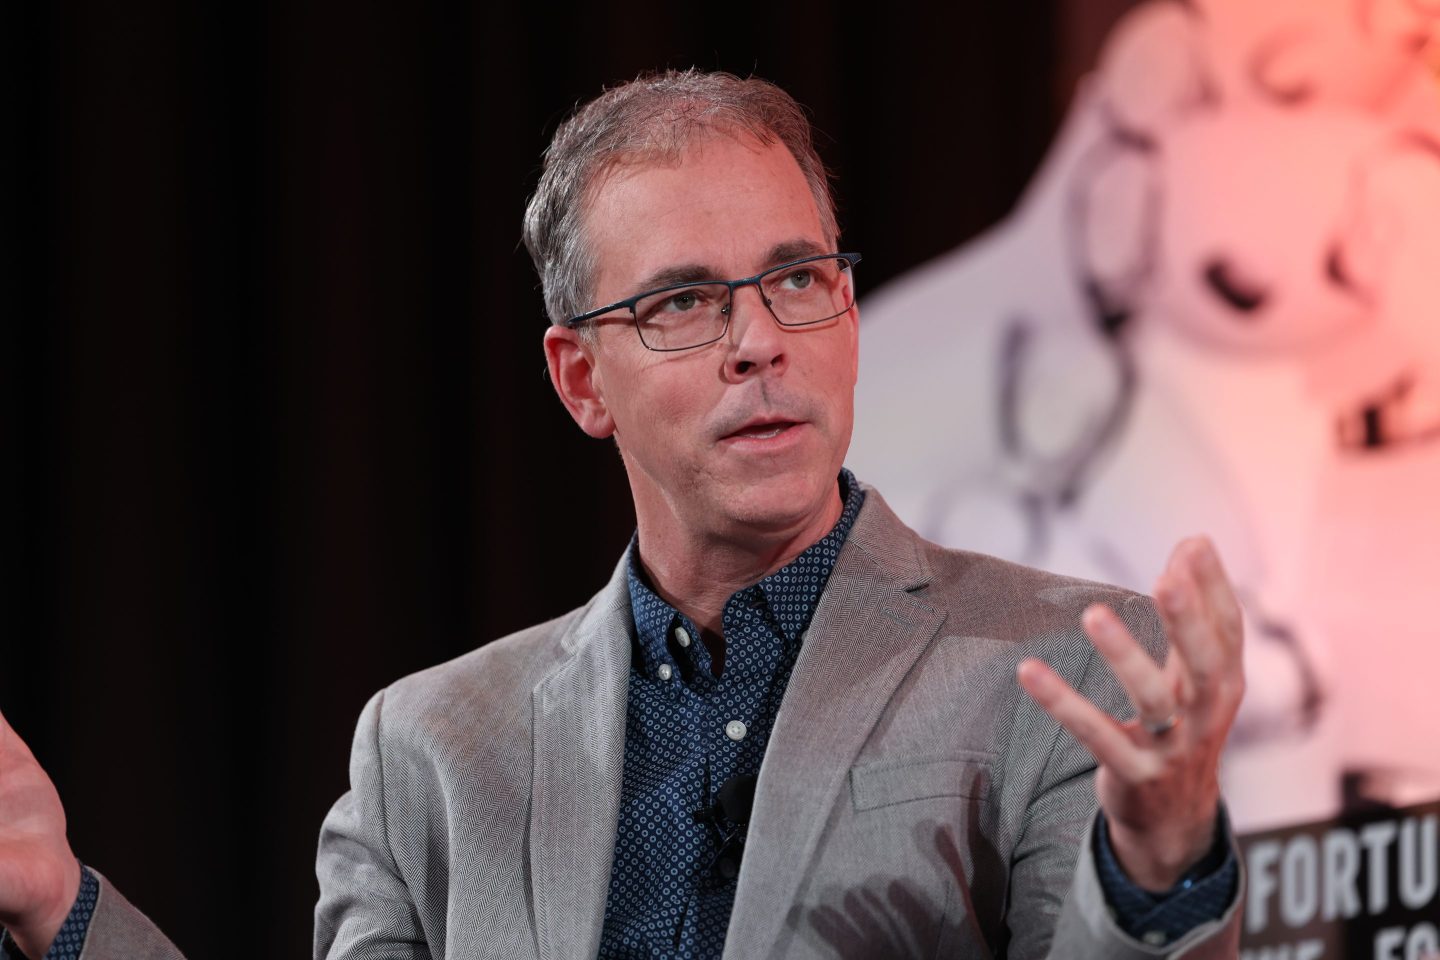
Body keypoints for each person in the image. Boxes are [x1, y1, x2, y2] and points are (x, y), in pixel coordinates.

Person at [0, 70, 1246, 960]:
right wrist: (60, 907)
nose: (759, 341)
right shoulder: (431, 750)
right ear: (581, 380)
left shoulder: (1058, 669)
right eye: (685, 303)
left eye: (797, 278)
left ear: (849, 317)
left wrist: (1157, 871)